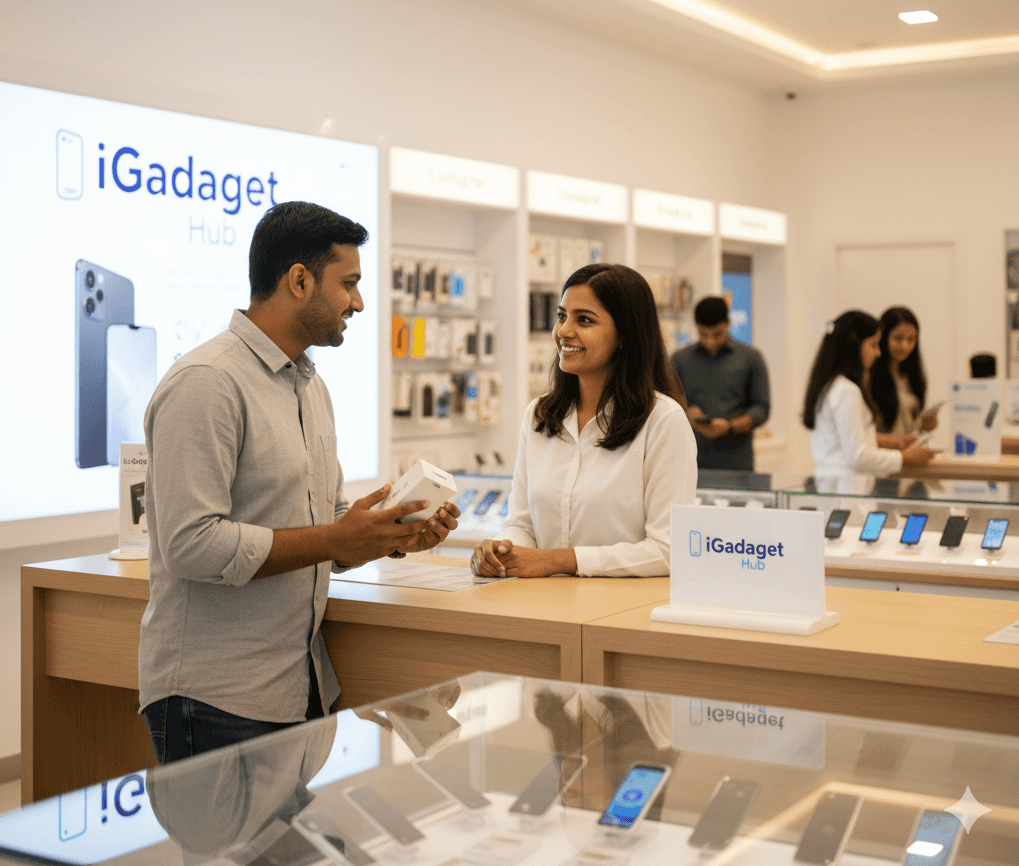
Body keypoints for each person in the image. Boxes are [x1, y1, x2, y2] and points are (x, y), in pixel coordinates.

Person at [139, 201, 459, 764]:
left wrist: (389, 533)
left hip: (298, 688)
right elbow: (192, 545)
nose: (359, 303)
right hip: (214, 699)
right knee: (228, 856)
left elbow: (323, 532)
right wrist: (337, 538)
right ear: (299, 280)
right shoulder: (207, 383)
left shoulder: (309, 386)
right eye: (350, 284)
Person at [471, 263, 697, 579]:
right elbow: (522, 523)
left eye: (585, 320)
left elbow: (668, 551)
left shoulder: (663, 421)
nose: (564, 330)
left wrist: (560, 561)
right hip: (541, 607)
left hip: (619, 614)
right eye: (562, 315)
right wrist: (500, 551)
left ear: (625, 335)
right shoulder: (538, 416)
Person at [803, 310, 935, 478]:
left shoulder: (831, 385)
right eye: (873, 345)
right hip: (849, 486)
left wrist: (895, 442)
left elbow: (850, 442)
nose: (878, 352)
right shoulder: (847, 391)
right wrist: (902, 457)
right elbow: (858, 456)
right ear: (855, 345)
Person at [669, 296, 770, 471]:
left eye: (717, 334)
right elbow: (668, 403)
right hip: (690, 462)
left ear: (728, 324)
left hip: (737, 464)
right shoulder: (679, 360)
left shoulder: (751, 358)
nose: (711, 341)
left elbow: (761, 408)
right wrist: (687, 413)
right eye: (703, 335)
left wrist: (730, 427)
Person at [869, 306, 939, 442]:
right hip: (882, 458)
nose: (905, 346)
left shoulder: (911, 376)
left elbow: (911, 429)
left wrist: (924, 426)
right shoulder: (869, 377)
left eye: (911, 339)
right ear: (883, 337)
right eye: (898, 338)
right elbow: (861, 438)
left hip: (907, 455)